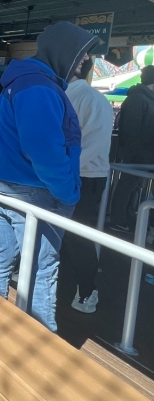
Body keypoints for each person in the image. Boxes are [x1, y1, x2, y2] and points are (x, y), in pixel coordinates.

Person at [0, 21, 97, 332]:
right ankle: (39, 345)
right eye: (82, 53)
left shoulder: (24, 82)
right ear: (65, 52)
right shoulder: (40, 87)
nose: (86, 60)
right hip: (31, 191)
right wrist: (69, 193)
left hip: (3, 188)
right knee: (41, 269)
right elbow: (43, 149)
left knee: (0, 256)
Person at [59, 55, 114, 314]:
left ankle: (88, 291)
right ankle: (85, 289)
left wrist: (57, 171)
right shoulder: (93, 98)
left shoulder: (77, 97)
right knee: (74, 234)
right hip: (86, 174)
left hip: (80, 175)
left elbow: (84, 146)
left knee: (77, 235)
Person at [109, 65, 154, 230]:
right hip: (138, 156)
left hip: (142, 156)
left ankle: (126, 217)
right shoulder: (139, 99)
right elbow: (131, 130)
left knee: (132, 186)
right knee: (127, 186)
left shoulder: (142, 98)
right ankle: (118, 219)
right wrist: (137, 154)